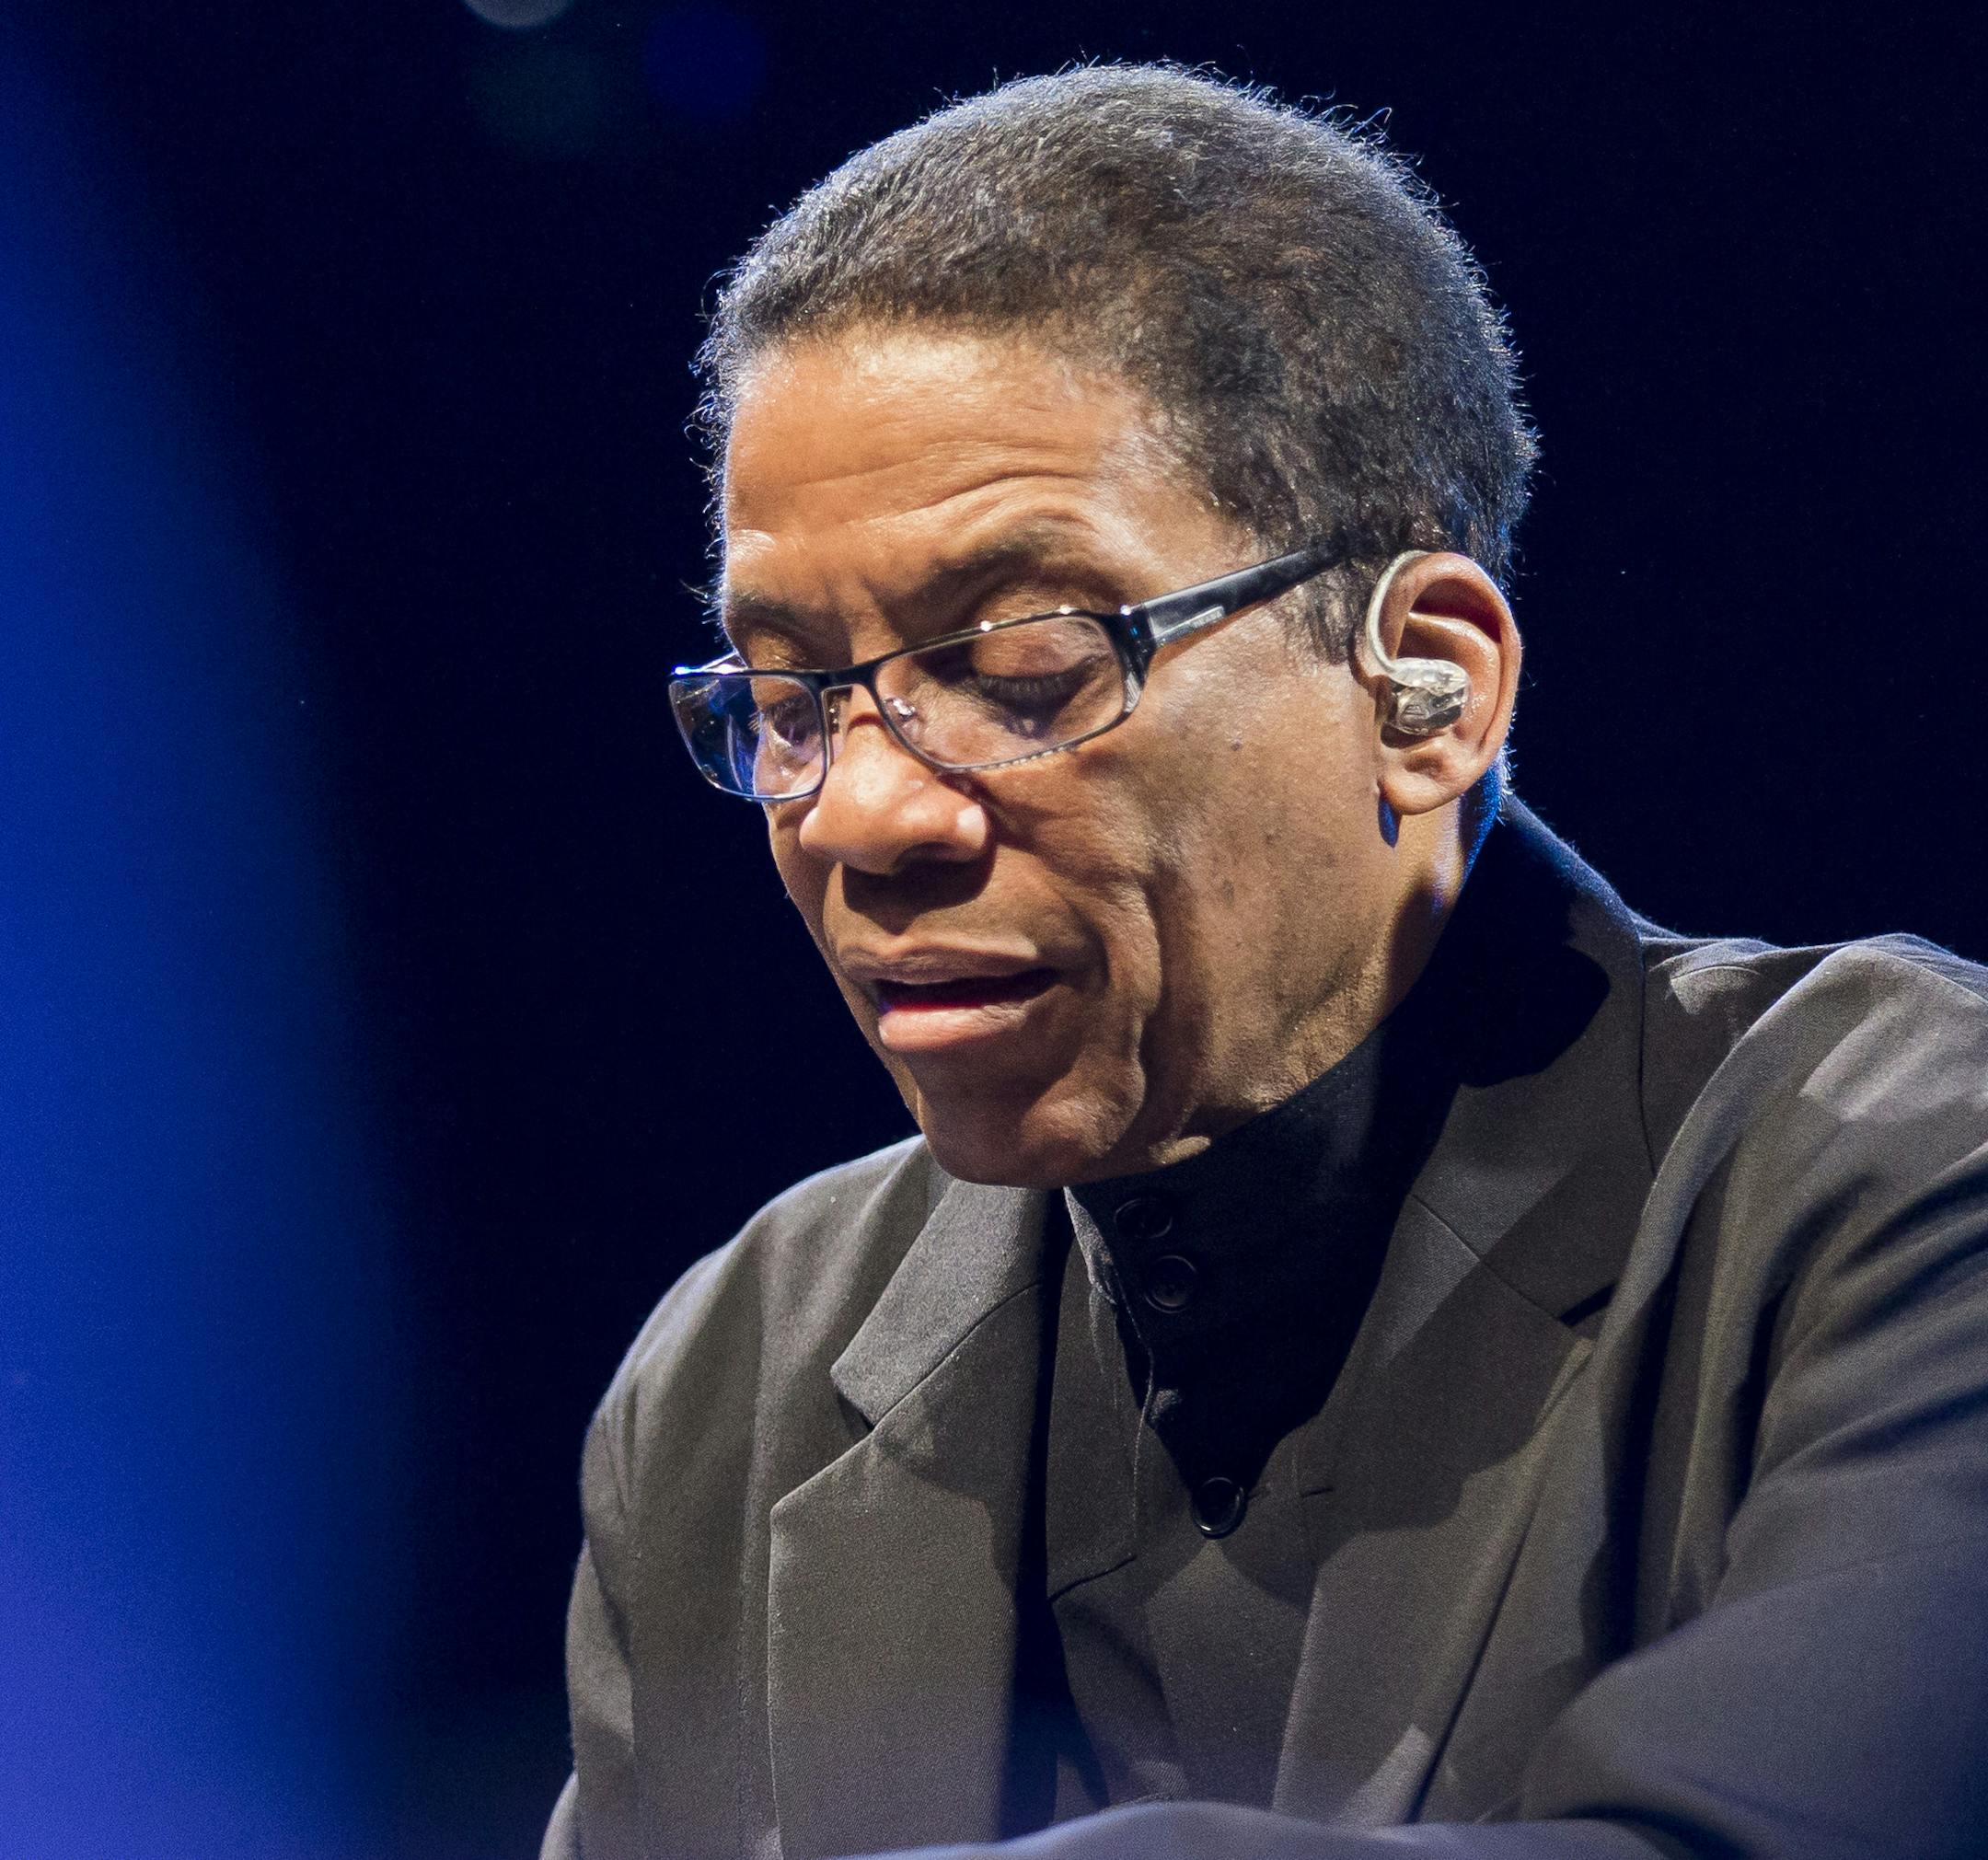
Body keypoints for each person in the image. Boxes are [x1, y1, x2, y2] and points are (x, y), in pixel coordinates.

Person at [541, 64, 1988, 1860]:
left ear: (1428, 686)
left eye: (1023, 667)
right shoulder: (739, 1375)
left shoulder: (1897, 1178)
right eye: (788, 700)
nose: (860, 816)